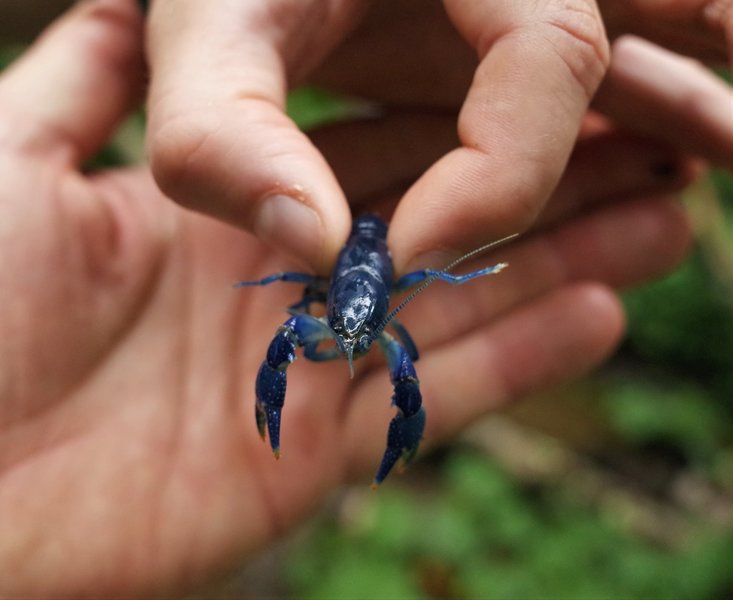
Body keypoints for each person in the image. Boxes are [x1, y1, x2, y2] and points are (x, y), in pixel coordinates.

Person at [0, 0, 725, 596]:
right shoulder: (325, 314)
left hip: (375, 249)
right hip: (345, 259)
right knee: (293, 336)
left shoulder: (386, 325)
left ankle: (393, 454)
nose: (348, 339)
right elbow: (296, 304)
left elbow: (418, 289)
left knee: (405, 373)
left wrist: (457, 273)